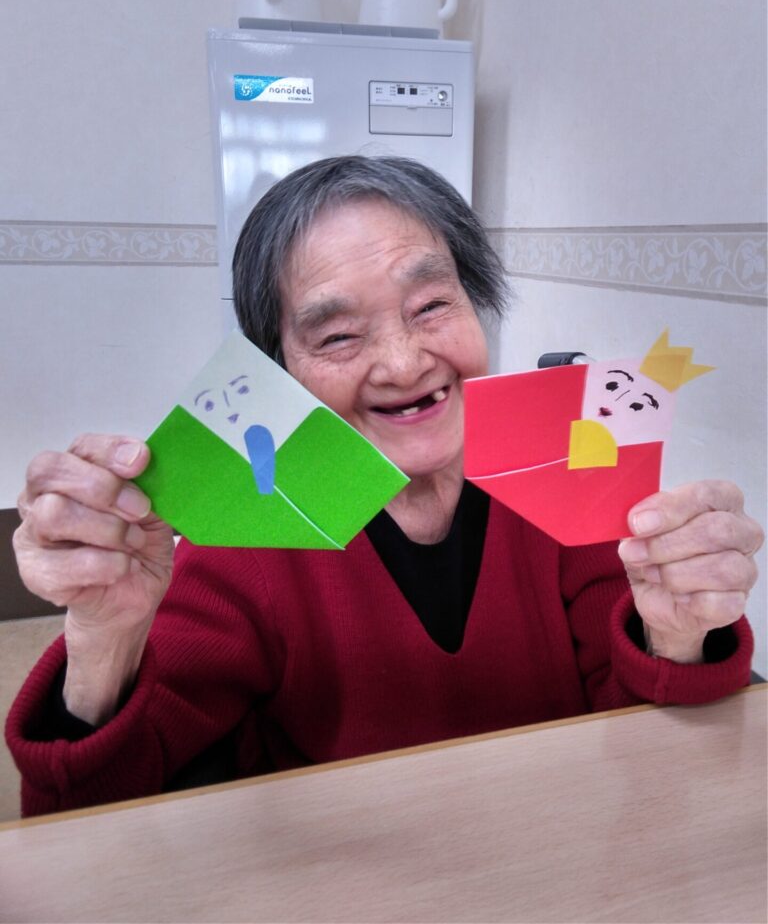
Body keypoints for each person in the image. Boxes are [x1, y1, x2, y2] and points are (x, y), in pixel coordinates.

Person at [6, 156, 763, 817]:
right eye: (338, 336)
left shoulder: (565, 480)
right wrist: (106, 638)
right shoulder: (251, 530)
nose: (404, 364)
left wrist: (678, 633)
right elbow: (93, 823)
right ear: (280, 372)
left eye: (431, 306)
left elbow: (661, 769)